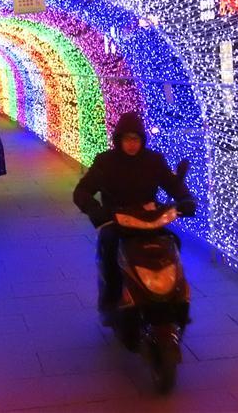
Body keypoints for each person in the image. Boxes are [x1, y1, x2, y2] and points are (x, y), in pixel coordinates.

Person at [72, 111, 196, 320]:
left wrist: (186, 199)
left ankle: (173, 293)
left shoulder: (153, 160)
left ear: (142, 140)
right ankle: (112, 297)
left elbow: (172, 183)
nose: (131, 144)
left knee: (172, 241)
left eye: (136, 139)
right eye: (126, 139)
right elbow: (82, 191)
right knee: (110, 244)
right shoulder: (106, 162)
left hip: (149, 219)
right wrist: (95, 209)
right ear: (118, 139)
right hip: (118, 219)